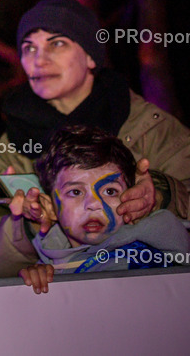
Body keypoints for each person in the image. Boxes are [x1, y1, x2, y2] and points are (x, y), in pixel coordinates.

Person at [0, 0, 190, 278]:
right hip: (69, 301)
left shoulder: (150, 127)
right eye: (29, 48)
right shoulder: (12, 147)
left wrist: (161, 193)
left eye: (57, 44)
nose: (39, 59)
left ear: (90, 56)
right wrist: (27, 226)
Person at [18, 125, 190, 294]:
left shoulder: (144, 256)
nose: (94, 204)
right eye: (76, 192)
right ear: (50, 208)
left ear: (131, 197)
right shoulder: (51, 265)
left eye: (110, 191)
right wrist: (38, 281)